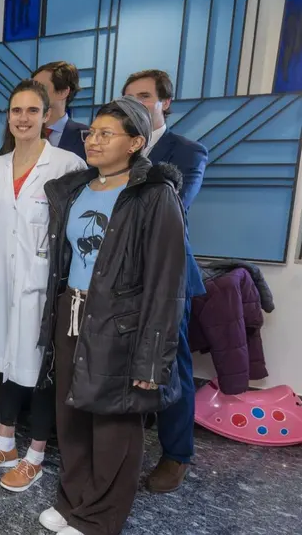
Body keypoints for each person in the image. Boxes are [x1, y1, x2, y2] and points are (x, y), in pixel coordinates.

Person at [36, 97, 187, 535]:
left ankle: (101, 518)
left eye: (106, 134)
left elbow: (167, 282)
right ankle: (74, 500)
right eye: (91, 133)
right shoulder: (76, 188)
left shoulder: (154, 195)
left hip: (123, 321)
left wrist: (152, 358)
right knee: (73, 412)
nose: (94, 141)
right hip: (72, 310)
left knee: (114, 422)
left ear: (136, 142)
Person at [0, 79, 85, 492]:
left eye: (32, 111)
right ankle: (4, 444)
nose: (23, 118)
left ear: (47, 115)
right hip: (2, 283)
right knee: (8, 366)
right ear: (8, 116)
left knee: (39, 371)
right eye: (16, 111)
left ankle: (34, 454)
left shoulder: (67, 165)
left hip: (42, 287)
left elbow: (72, 234)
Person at [123, 68, 208, 493]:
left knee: (173, 366)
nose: (137, 104)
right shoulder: (117, 148)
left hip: (169, 273)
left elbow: (173, 204)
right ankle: (124, 450)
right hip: (122, 275)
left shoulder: (187, 151)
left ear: (165, 102)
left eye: (144, 97)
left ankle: (177, 455)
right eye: (129, 97)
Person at [32, 61, 89, 160]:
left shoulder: (86, 137)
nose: (32, 93)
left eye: (41, 88)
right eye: (32, 88)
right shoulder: (21, 132)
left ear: (63, 92)